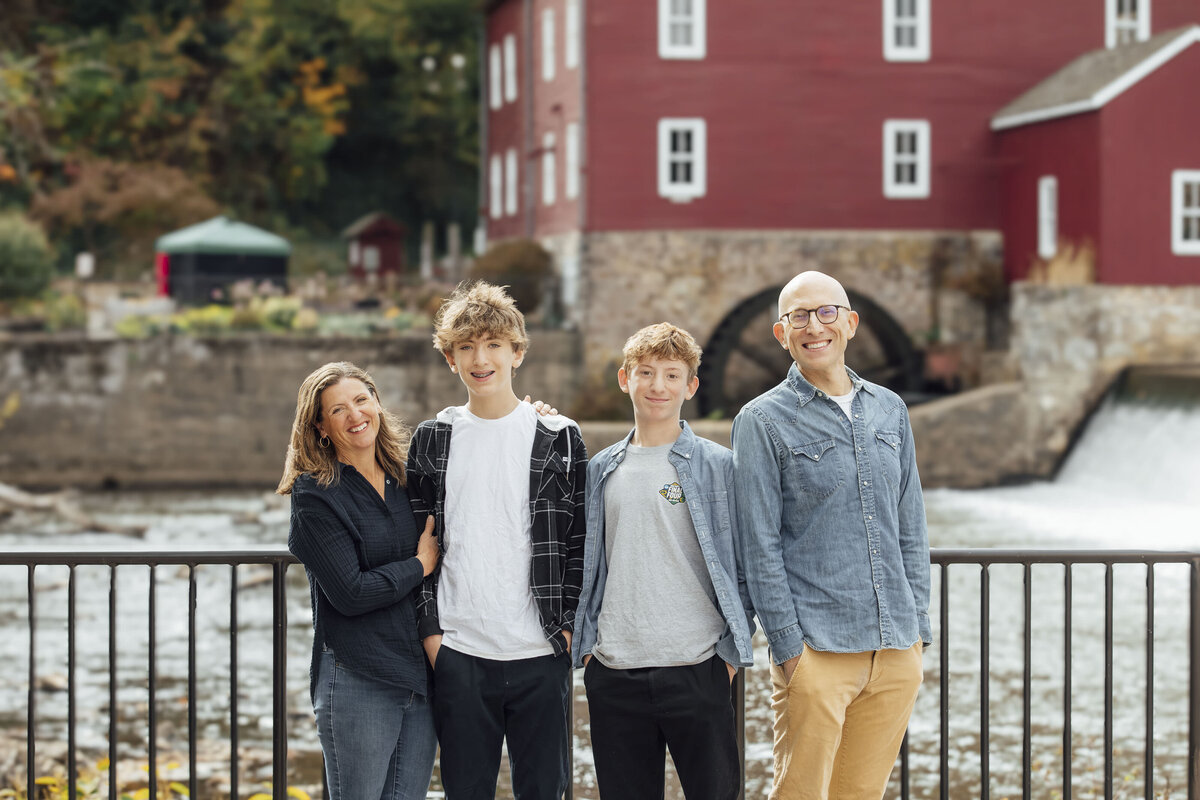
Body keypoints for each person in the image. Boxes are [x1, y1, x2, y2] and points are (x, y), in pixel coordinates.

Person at [731, 271, 931, 800]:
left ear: (850, 323)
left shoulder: (891, 409)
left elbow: (910, 525)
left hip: (894, 648)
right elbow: (759, 545)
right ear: (781, 333)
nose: (813, 326)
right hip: (817, 651)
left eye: (825, 312)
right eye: (798, 315)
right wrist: (791, 651)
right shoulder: (761, 420)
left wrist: (919, 634)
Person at [406, 281, 587, 800]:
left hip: (540, 650)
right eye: (465, 347)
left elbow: (577, 541)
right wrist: (432, 638)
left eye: (492, 345)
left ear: (517, 353)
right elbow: (414, 540)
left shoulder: (558, 435)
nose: (479, 359)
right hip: (459, 651)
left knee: (544, 792)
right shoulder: (433, 438)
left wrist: (567, 630)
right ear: (450, 358)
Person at [574, 322, 754, 800]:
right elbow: (589, 562)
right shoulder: (600, 469)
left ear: (691, 386)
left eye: (672, 375)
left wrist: (729, 657)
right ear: (625, 378)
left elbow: (746, 564)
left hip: (698, 665)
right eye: (647, 372)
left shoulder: (719, 466)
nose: (658, 386)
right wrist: (590, 651)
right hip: (614, 669)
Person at [279, 361, 439, 800]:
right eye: (338, 410)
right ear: (320, 426)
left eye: (361, 400)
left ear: (378, 405)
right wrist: (419, 565)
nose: (355, 415)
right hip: (358, 678)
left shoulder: (408, 479)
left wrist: (535, 418)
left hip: (420, 677)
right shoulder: (316, 494)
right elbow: (350, 593)